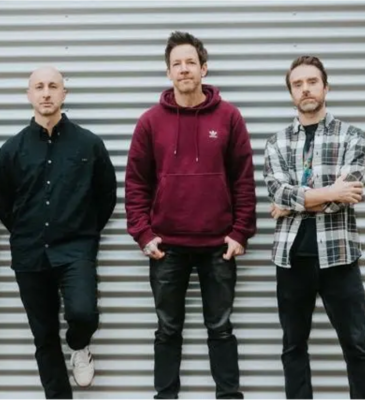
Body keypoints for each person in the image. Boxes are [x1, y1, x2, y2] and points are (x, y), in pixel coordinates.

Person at [125, 31, 257, 400]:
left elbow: (243, 179)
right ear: (168, 72)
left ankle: (228, 396)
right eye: (177, 64)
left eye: (190, 62)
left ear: (204, 68)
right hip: (167, 247)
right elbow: (136, 183)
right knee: (168, 329)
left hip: (218, 245)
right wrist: (143, 234)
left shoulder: (229, 117)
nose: (184, 69)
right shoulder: (150, 122)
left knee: (221, 328)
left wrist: (240, 233)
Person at [0, 66, 117, 400]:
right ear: (29, 95)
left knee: (83, 313)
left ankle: (79, 343)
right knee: (44, 336)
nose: (46, 93)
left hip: (76, 249)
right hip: (30, 253)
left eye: (52, 86)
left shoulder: (89, 144)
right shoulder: (11, 150)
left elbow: (106, 195)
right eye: (39, 87)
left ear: (64, 93)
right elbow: (1, 200)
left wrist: (83, 230)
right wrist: (25, 230)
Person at [264, 55, 365, 400]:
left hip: (339, 258)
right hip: (292, 260)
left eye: (312, 81)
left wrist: (292, 203)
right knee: (293, 347)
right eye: (297, 84)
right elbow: (277, 191)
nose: (305, 89)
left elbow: (349, 193)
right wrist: (329, 192)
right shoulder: (276, 142)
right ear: (291, 93)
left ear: (326, 87)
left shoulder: (352, 137)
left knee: (356, 345)